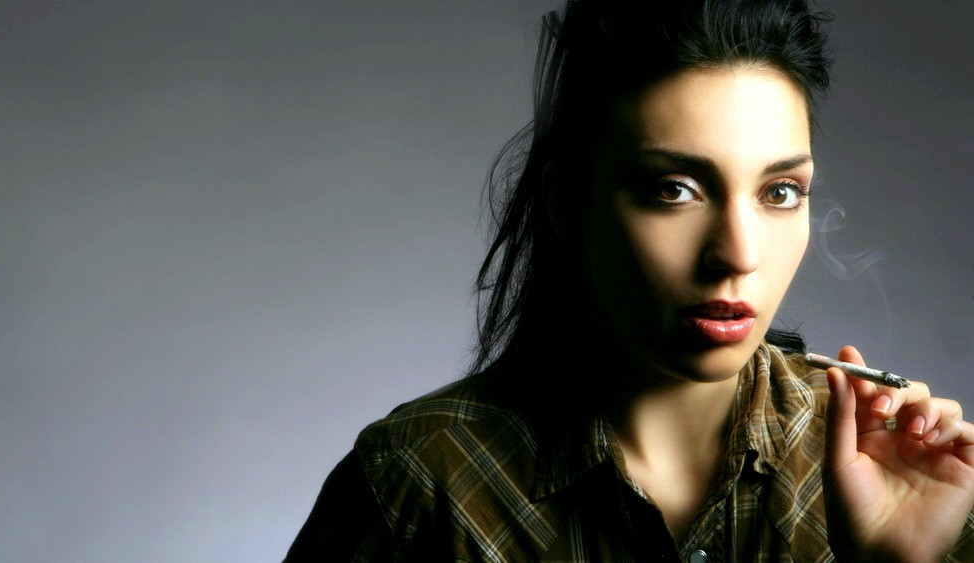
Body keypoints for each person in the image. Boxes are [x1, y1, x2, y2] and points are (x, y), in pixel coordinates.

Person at [287, 1, 974, 560]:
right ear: (567, 204)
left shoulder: (893, 471)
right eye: (674, 189)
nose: (738, 254)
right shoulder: (419, 481)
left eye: (781, 192)